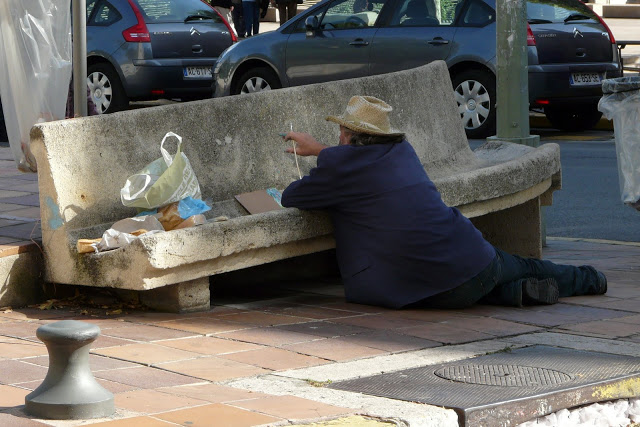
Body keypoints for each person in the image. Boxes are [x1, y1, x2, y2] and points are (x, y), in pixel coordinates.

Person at [280, 95, 607, 309]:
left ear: (348, 136)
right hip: (473, 259)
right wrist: (326, 151)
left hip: (421, 288)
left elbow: (292, 196)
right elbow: (364, 165)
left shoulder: (338, 169)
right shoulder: (402, 153)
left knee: (448, 288)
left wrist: (320, 152)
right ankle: (589, 279)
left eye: (340, 132)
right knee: (525, 267)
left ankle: (510, 294)